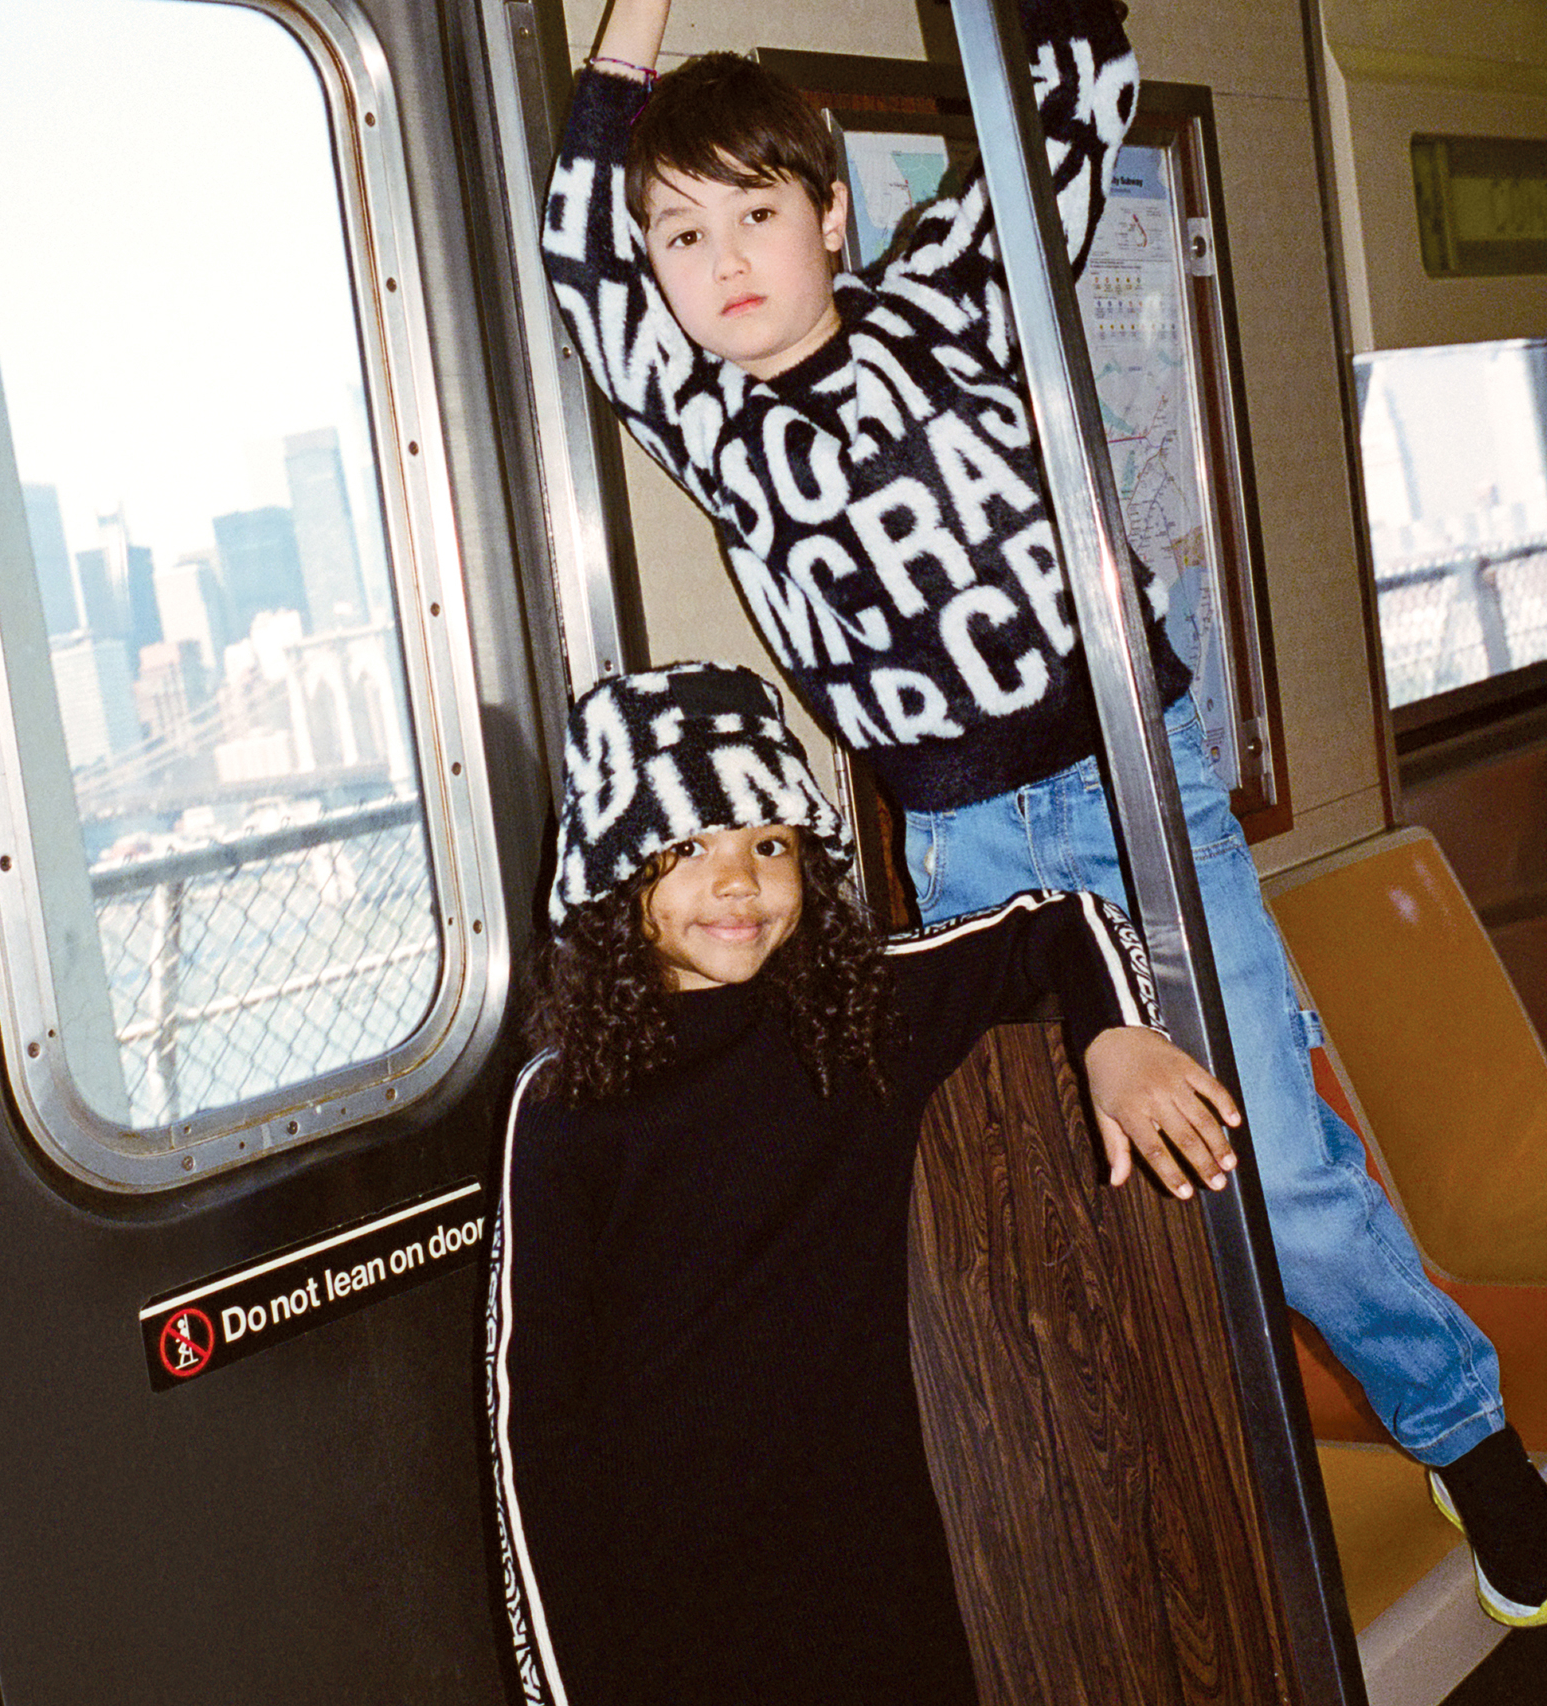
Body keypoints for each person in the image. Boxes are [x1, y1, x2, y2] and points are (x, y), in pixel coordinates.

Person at [537, 0, 1547, 1629]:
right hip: (964, 853)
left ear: (833, 220)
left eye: (752, 218)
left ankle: (1464, 1437)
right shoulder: (708, 422)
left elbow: (1069, 97)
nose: (717, 266)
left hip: (1139, 778)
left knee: (1270, 1156)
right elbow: (577, 261)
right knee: (1073, 1189)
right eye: (681, 236)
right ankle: (1154, 1523)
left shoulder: (950, 299)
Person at [489, 659, 1238, 1706]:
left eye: (769, 842)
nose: (739, 880)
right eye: (689, 846)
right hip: (657, 1574)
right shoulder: (563, 1102)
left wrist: (1114, 1032)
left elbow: (1056, 921)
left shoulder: (852, 1016)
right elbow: (534, 1422)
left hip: (866, 1538)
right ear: (615, 874)